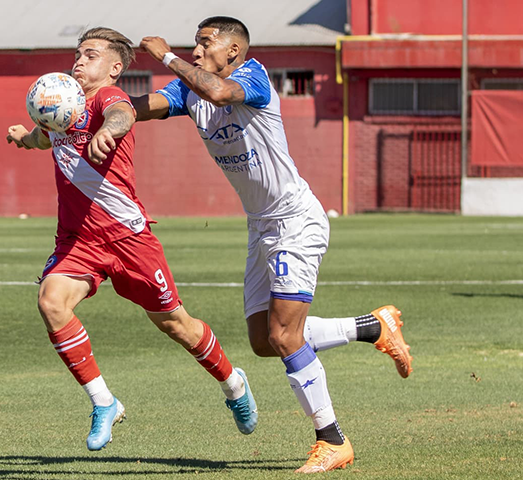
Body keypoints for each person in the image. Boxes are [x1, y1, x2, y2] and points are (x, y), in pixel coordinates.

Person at [135, 17, 413, 473]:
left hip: (295, 222)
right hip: (261, 225)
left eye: (207, 44)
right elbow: (142, 106)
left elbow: (219, 93)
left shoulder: (252, 77)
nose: (198, 51)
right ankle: (373, 326)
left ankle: (332, 440)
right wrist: (84, 109)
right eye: (195, 45)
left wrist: (168, 56)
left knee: (285, 335)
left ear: (235, 51)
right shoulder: (190, 91)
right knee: (265, 341)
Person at [5, 27, 257, 452]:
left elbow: (123, 114)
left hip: (129, 240)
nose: (80, 61)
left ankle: (233, 383)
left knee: (175, 325)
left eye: (91, 55)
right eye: (78, 54)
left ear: (114, 68)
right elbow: (42, 136)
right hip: (78, 240)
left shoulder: (108, 100)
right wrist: (23, 139)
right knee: (51, 301)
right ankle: (105, 402)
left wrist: (111, 130)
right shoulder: (61, 105)